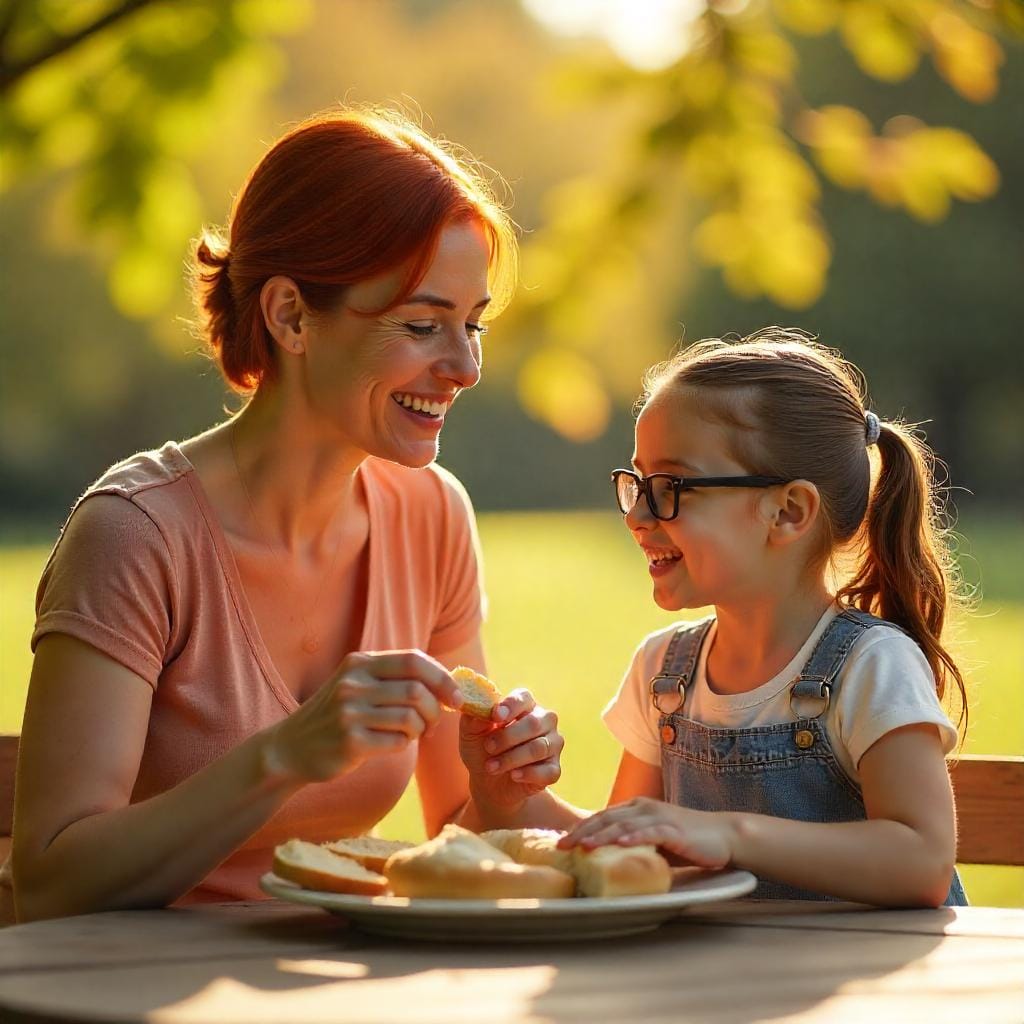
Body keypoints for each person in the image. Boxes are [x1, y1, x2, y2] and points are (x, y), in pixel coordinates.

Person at [9, 108, 570, 923]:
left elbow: (454, 832)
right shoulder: (136, 533)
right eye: (422, 325)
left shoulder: (432, 515)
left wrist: (499, 793)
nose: (466, 367)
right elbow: (52, 882)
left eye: (472, 324)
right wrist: (282, 756)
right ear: (291, 316)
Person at [559, 327, 969, 907]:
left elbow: (921, 862)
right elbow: (627, 853)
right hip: (725, 989)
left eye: (671, 485)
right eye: (639, 484)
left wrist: (728, 833)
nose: (639, 516)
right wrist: (508, 794)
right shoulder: (663, 673)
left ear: (788, 511)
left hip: (877, 989)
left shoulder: (871, 665)